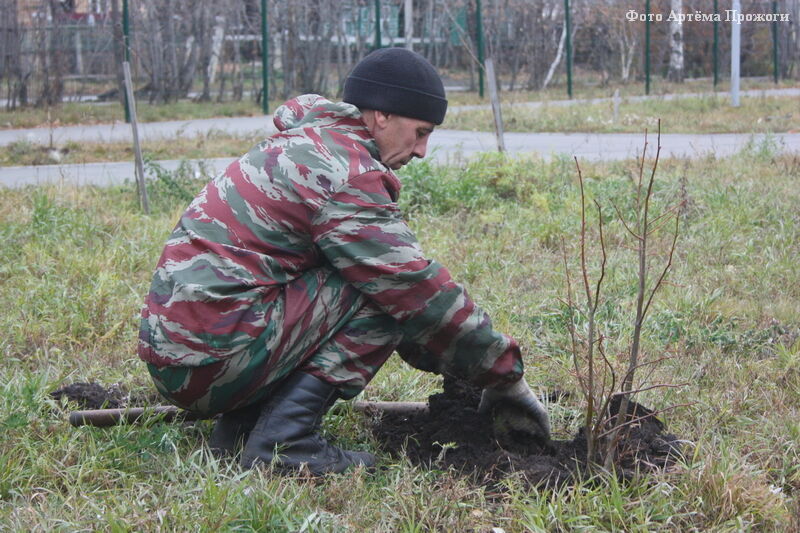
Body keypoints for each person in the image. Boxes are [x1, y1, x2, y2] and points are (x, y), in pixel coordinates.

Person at [137, 47, 550, 475]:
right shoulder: (344, 174)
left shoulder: (308, 143)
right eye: (421, 131)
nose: (423, 150)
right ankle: (286, 442)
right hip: (211, 360)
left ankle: (242, 430)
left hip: (182, 354)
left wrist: (457, 367)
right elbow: (416, 290)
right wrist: (505, 376)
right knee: (385, 294)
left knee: (362, 278)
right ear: (382, 115)